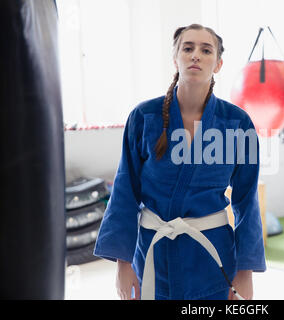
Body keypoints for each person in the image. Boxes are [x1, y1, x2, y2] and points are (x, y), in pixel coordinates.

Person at [94, 23, 266, 300]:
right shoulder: (144, 117)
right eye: (188, 48)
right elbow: (125, 191)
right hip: (153, 253)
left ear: (218, 64)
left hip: (212, 257)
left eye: (205, 50)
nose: (195, 55)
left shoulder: (237, 123)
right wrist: (122, 264)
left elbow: (246, 201)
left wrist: (245, 272)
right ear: (176, 59)